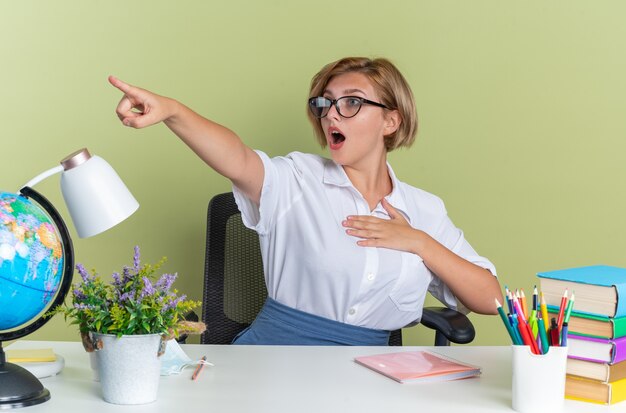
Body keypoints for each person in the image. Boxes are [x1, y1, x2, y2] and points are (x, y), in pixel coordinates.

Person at [109, 57, 503, 346]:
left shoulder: (424, 210)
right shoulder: (297, 178)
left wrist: (418, 242)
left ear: (391, 121)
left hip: (375, 373)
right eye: (325, 103)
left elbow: (492, 298)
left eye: (351, 102)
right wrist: (172, 112)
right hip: (277, 357)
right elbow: (237, 157)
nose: (332, 114)